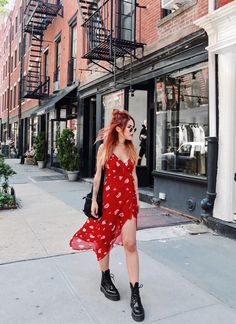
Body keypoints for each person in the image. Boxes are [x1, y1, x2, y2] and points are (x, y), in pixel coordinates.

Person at [70, 109, 145, 322]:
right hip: (109, 203)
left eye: (134, 128)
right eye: (130, 128)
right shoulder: (106, 148)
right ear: (119, 129)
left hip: (128, 202)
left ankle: (135, 295)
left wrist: (137, 199)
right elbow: (98, 176)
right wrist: (94, 200)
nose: (133, 131)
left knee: (130, 244)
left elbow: (133, 176)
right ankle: (105, 279)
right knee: (103, 240)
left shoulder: (133, 149)